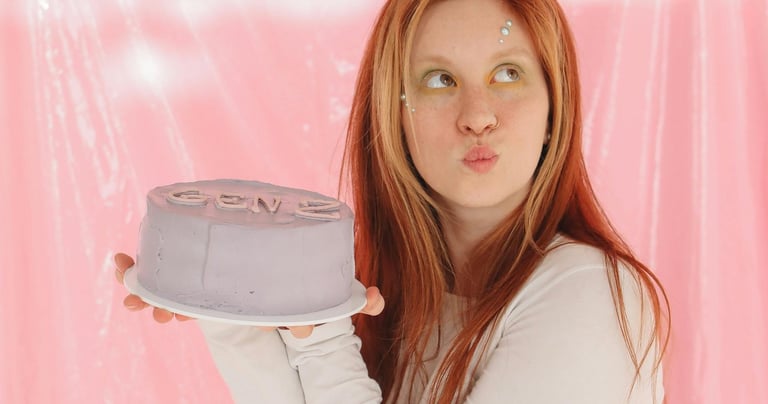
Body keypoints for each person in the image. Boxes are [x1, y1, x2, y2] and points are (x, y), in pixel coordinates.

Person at [114, 0, 670, 402]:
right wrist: (230, 317)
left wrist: (321, 334)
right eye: (440, 80)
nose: (478, 115)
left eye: (508, 74)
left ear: (555, 109)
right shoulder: (397, 301)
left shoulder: (592, 294)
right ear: (394, 114)